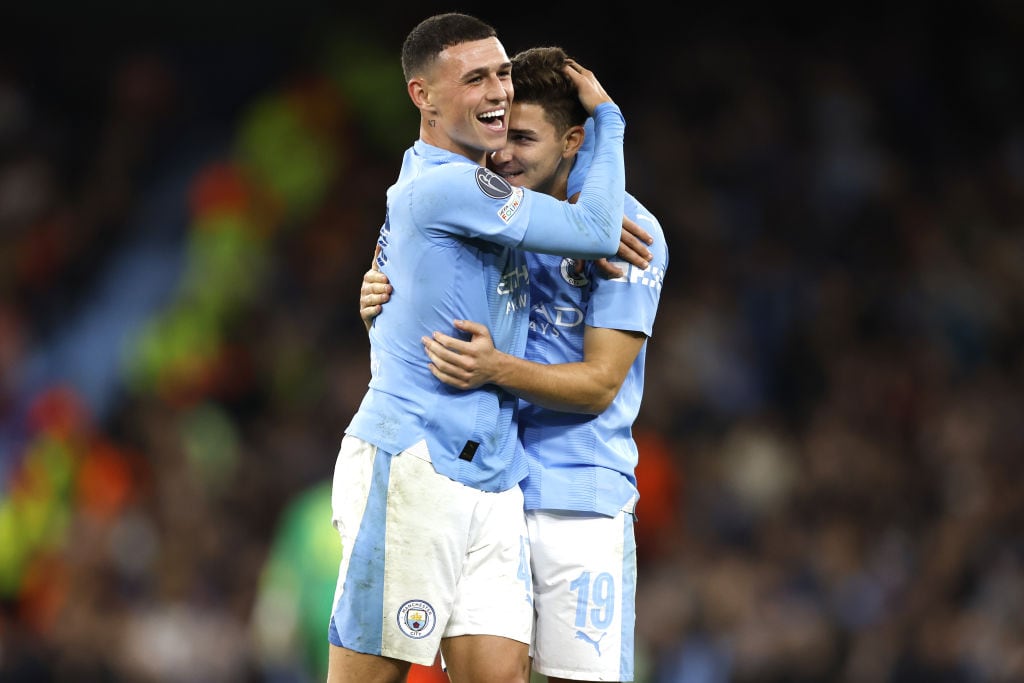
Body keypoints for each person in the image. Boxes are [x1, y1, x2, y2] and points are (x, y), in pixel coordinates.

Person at [329, 13, 631, 683]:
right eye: (475, 79)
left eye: (501, 73)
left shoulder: (439, 175)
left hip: (494, 474)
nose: (497, 91)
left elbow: (404, 275)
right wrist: (609, 121)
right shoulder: (450, 184)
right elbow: (595, 228)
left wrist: (377, 295)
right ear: (423, 96)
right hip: (416, 460)